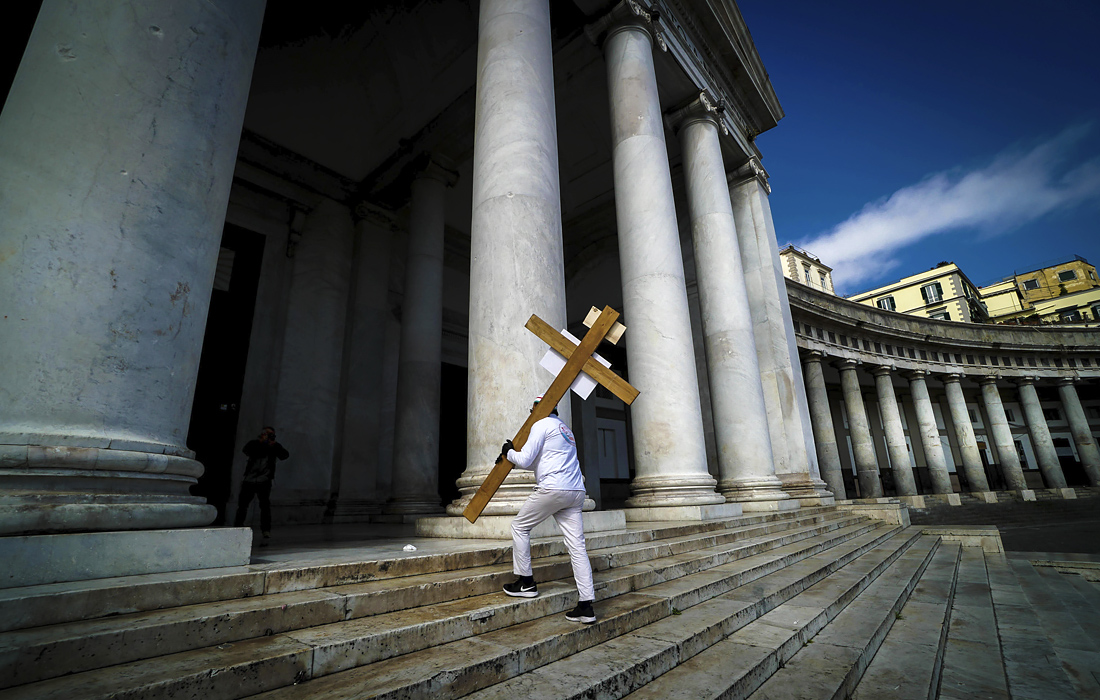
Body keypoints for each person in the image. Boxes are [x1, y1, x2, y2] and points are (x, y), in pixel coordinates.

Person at [500, 395, 596, 624]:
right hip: (576, 491)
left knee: (519, 527)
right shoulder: (565, 429)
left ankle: (526, 582)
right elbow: (537, 461)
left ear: (538, 409)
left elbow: (524, 460)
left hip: (554, 488)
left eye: (532, 409)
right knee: (577, 547)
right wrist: (514, 455)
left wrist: (508, 452)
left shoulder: (540, 424)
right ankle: (586, 605)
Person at [233, 426, 289, 539]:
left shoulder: (274, 446)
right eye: (267, 433)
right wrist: (261, 442)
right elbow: (247, 451)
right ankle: (238, 526)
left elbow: (284, 455)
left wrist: (274, 445)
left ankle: (266, 530)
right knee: (243, 505)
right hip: (250, 479)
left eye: (271, 434)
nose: (269, 436)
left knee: (265, 506)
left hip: (264, 480)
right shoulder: (254, 444)